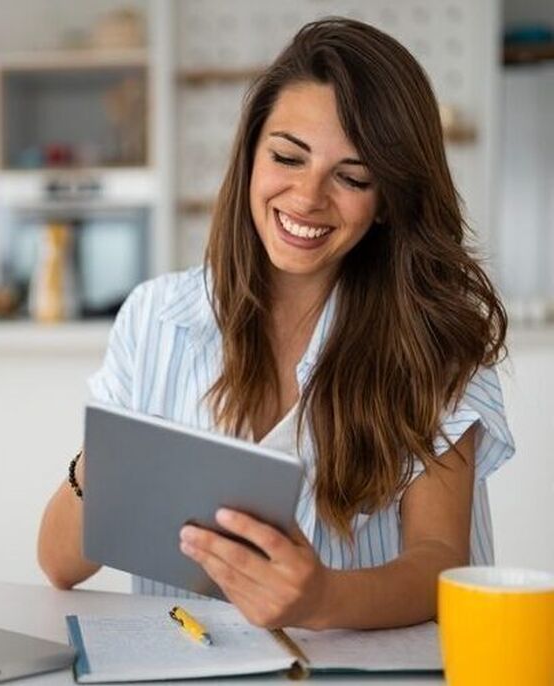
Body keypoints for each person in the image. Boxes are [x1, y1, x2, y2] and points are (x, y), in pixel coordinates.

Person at [36, 17, 514, 631]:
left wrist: (321, 600)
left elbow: (441, 564)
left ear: (389, 199)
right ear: (251, 154)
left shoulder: (432, 342)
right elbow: (58, 564)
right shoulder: (156, 318)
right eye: (288, 156)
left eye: (352, 176)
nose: (308, 197)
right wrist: (106, 460)